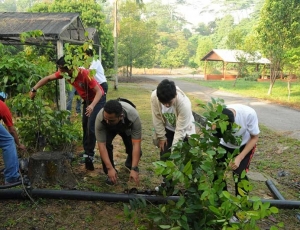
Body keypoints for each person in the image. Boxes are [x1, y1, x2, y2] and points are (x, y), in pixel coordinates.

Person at [29, 56, 104, 171]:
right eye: (59, 69)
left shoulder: (84, 74)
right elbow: (48, 78)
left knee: (91, 126)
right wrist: (34, 89)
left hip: (97, 100)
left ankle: (90, 155)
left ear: (71, 68)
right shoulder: (64, 73)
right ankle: (86, 152)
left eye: (62, 69)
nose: (60, 72)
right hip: (88, 101)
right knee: (85, 125)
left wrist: (92, 106)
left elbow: (100, 91)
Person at [150, 79, 195, 191]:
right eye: (163, 102)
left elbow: (180, 131)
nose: (166, 105)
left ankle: (192, 187)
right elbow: (157, 117)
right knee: (164, 154)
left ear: (175, 95)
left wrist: (174, 152)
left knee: (188, 159)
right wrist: (162, 136)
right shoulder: (154, 97)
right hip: (168, 129)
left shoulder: (184, 104)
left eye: (169, 102)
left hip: (185, 131)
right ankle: (167, 185)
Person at [214, 105, 260, 196]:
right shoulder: (216, 116)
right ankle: (221, 200)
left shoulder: (249, 114)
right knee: (218, 174)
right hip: (223, 145)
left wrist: (239, 157)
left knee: (239, 174)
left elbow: (254, 138)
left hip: (244, 145)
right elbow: (212, 137)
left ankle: (241, 204)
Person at [95, 99, 142, 186]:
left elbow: (136, 144)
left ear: (121, 116)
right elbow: (102, 146)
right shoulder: (101, 119)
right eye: (106, 119)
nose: (108, 121)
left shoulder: (133, 116)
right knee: (107, 145)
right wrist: (109, 168)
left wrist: (134, 168)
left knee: (134, 150)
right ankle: (110, 174)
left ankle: (129, 164)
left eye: (111, 120)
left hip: (126, 126)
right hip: (109, 130)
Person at [0, 92, 26, 184]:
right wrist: (19, 144)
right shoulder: (2, 105)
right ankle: (12, 177)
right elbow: (12, 130)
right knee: (8, 141)